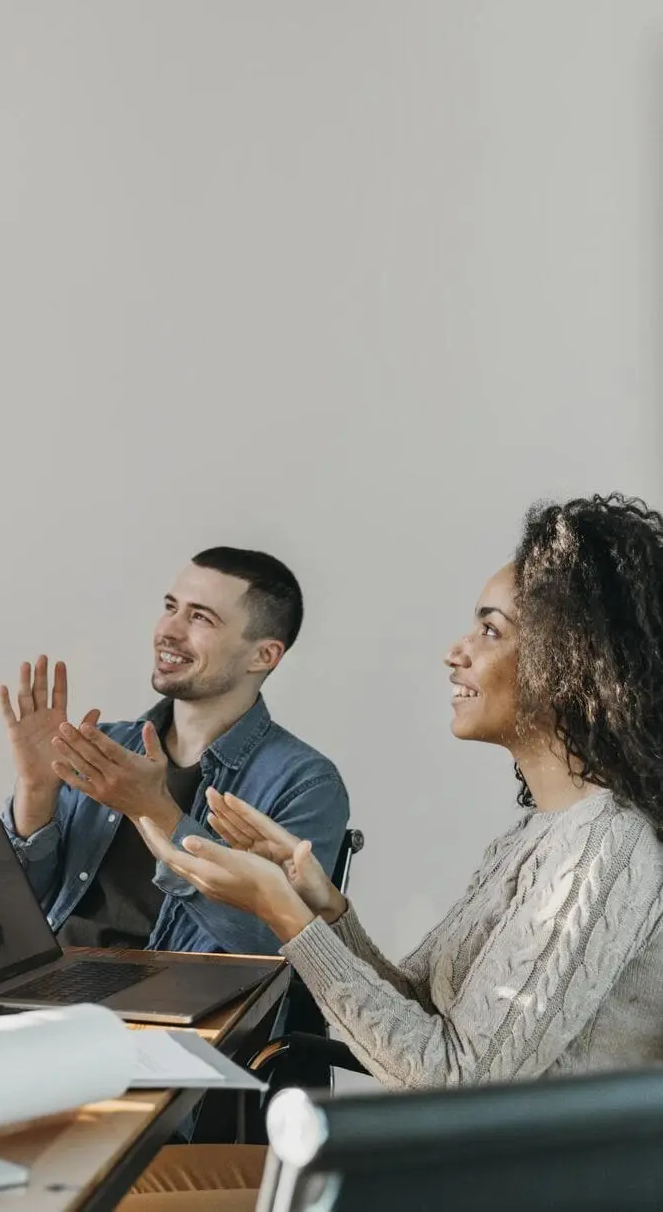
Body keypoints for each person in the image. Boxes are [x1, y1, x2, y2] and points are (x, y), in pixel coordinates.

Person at [126, 496, 663, 1209]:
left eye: (490, 630)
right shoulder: (543, 832)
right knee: (123, 1181)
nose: (457, 650)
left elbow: (454, 1085)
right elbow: (417, 1006)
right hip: (445, 1173)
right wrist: (321, 902)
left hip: (480, 1188)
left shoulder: (603, 847)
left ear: (573, 661)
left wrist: (289, 921)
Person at [0, 548, 348, 955]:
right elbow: (10, 917)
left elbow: (278, 946)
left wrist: (156, 813)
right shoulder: (103, 746)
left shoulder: (304, 783)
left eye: (200, 617)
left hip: (185, 1013)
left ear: (263, 655)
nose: (169, 630)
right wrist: (37, 791)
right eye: (171, 607)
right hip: (55, 991)